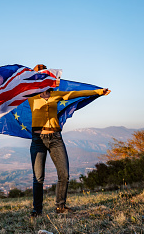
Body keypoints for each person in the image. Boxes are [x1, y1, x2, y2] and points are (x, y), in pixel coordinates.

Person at [29, 64, 110, 216]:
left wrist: (99, 92)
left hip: (55, 138)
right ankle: (37, 210)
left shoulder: (55, 95)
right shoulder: (30, 96)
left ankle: (60, 206)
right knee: (38, 177)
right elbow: (8, 89)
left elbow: (76, 93)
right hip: (38, 139)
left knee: (64, 174)